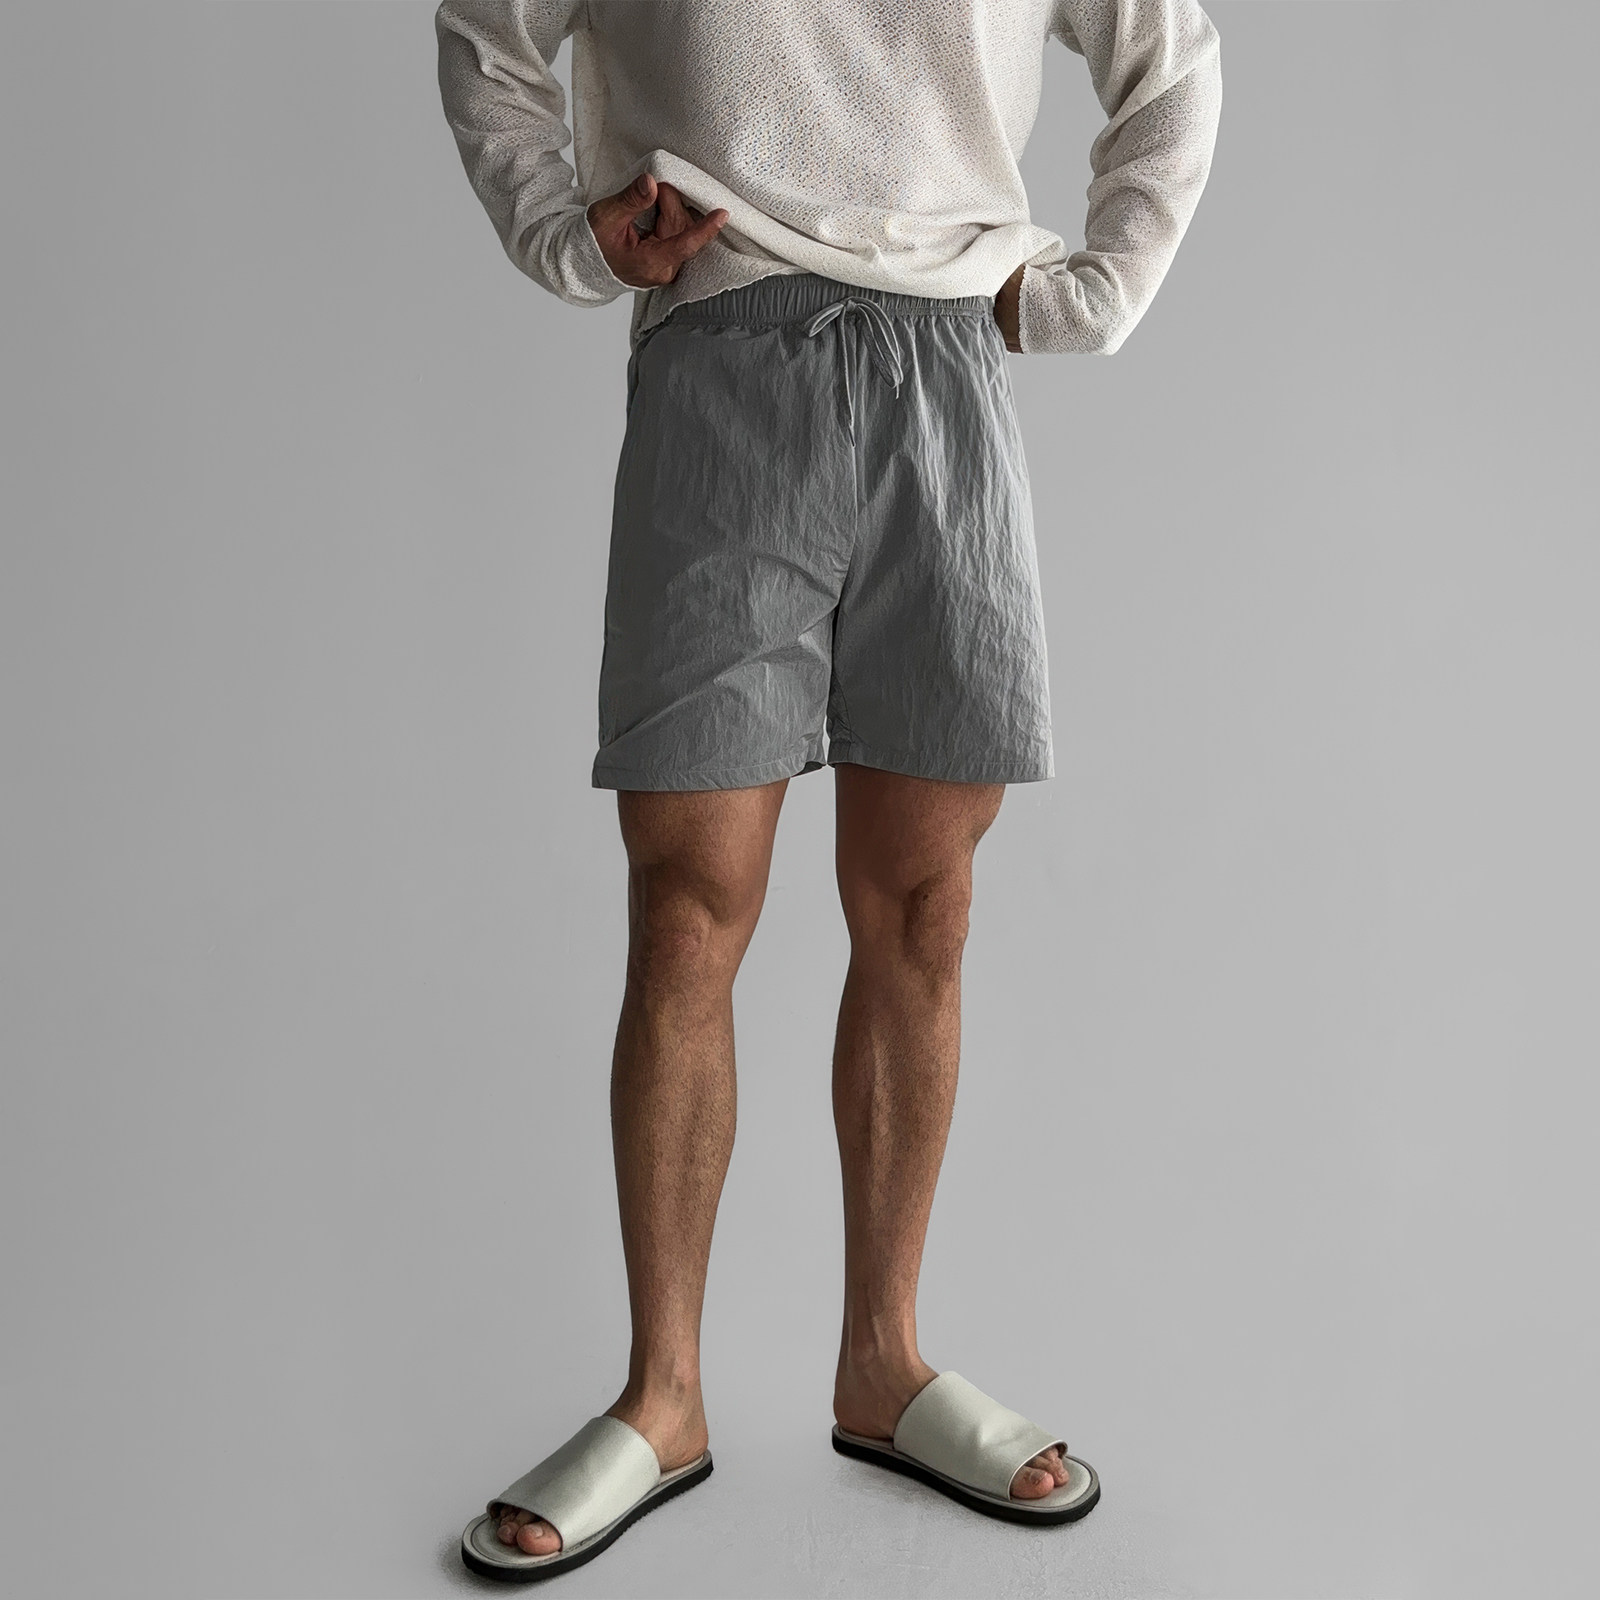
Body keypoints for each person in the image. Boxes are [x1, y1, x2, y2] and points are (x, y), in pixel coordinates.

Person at [437, 0, 1221, 1580]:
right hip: (721, 355)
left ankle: (884, 1364)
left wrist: (1098, 290)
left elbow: (1171, 53)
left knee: (925, 908)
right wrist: (569, 235)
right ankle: (664, 1397)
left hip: (951, 373)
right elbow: (487, 31)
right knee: (687, 907)